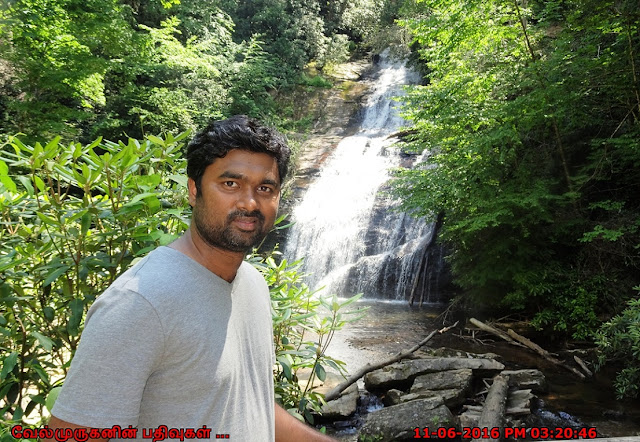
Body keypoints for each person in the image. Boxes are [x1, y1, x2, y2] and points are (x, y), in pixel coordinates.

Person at [47, 115, 336, 442]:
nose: (250, 202)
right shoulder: (140, 303)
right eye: (230, 184)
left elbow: (250, 405)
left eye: (265, 188)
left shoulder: (253, 284)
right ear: (193, 190)